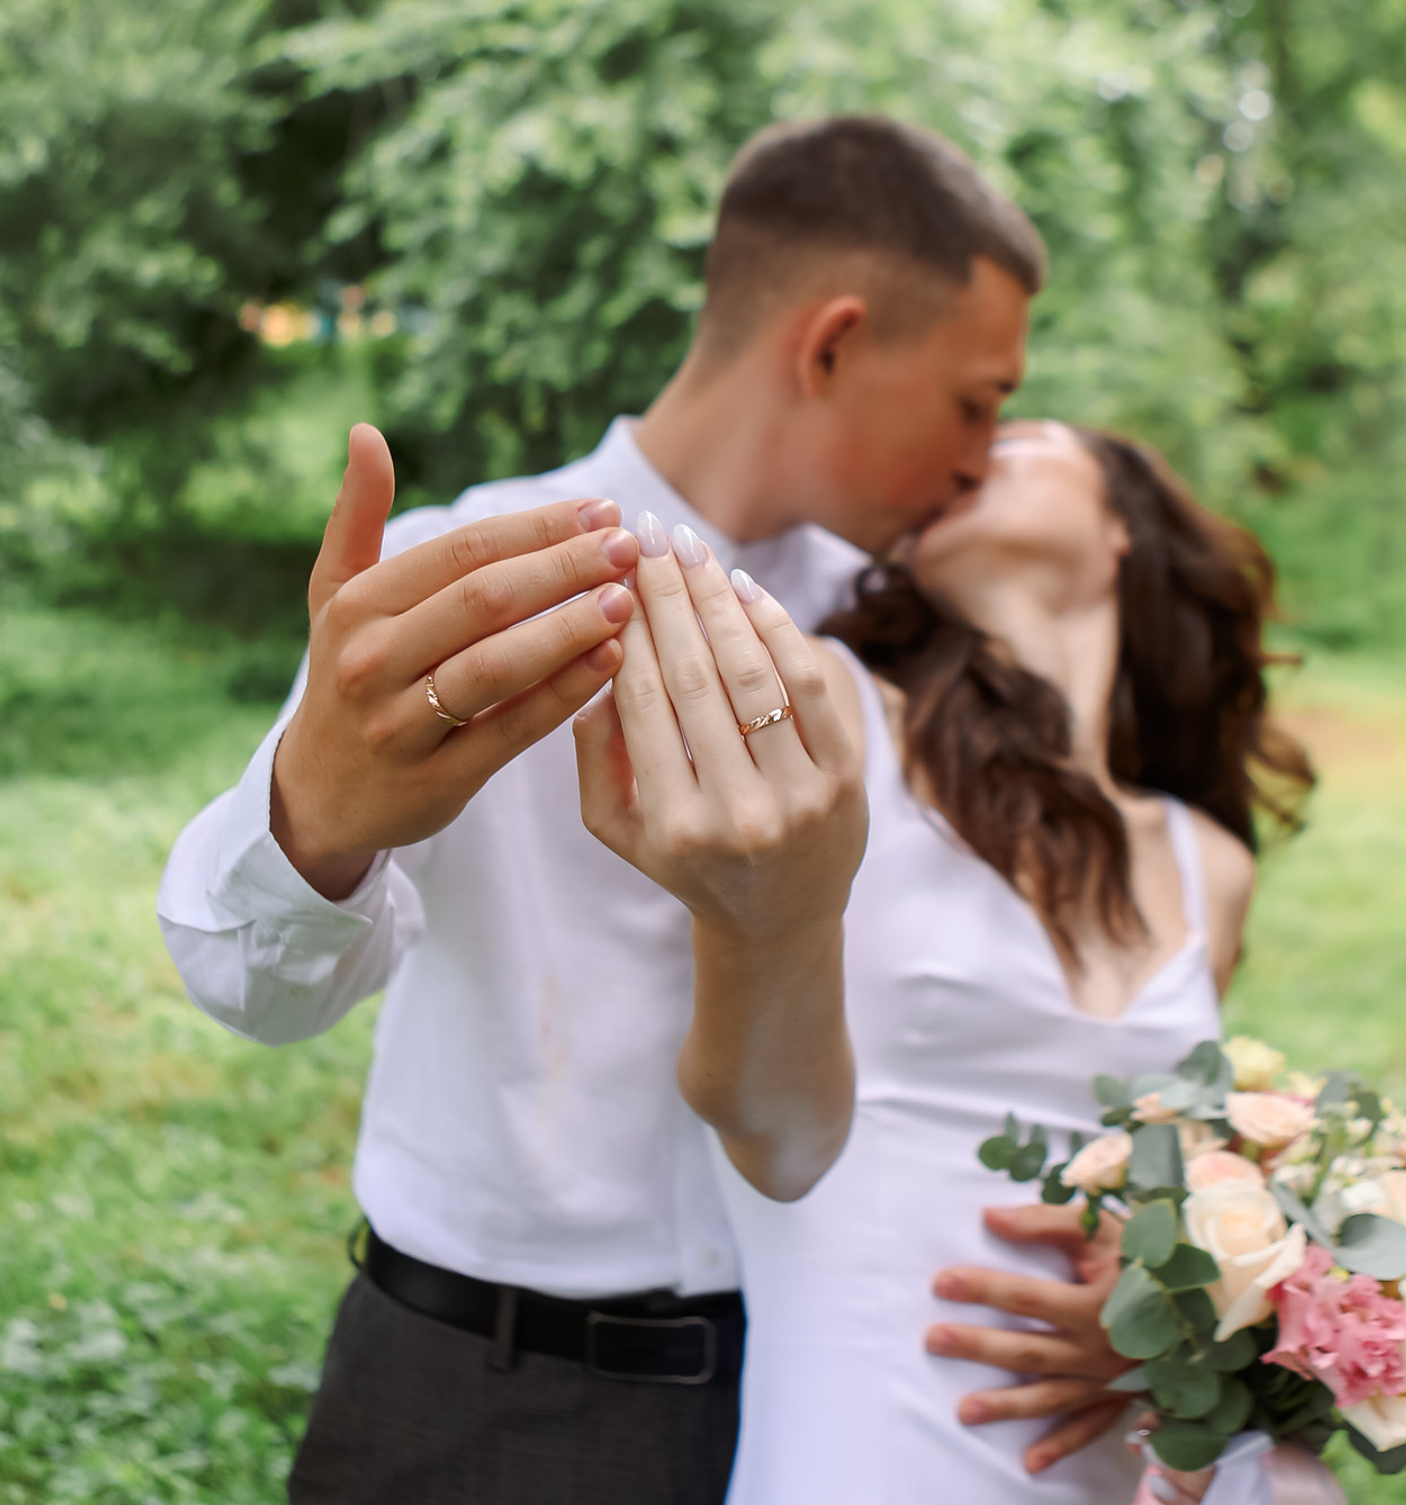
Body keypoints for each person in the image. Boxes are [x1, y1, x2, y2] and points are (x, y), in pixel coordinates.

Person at [157, 116, 1129, 1503]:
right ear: (833, 343)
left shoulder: (911, 647)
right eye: (975, 400)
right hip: (471, 1391)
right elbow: (250, 989)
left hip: (824, 1400)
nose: (982, 458)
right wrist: (313, 816)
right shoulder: (463, 582)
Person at [576, 417, 1316, 1502]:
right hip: (871, 1443)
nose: (965, 453)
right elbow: (761, 1124)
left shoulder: (1211, 866)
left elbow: (1183, 1184)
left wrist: (1171, 1318)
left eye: (1016, 433)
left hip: (1117, 1458)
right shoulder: (829, 716)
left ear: (1122, 525)